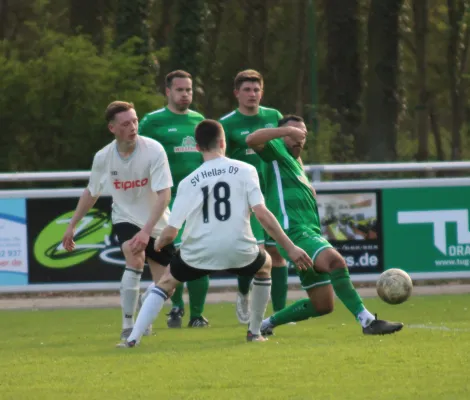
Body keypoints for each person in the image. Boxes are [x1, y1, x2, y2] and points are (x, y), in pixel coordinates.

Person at [116, 120, 313, 347]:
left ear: (198, 148)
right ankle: (254, 332)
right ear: (223, 142)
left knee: (166, 282)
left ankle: (132, 339)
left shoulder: (189, 181)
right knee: (265, 265)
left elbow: (171, 232)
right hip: (239, 249)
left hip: (199, 252)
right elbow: (263, 215)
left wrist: (159, 244)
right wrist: (290, 248)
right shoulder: (246, 170)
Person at [245, 115, 404, 335]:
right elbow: (252, 140)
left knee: (323, 305)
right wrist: (285, 132)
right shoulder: (275, 153)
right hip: (294, 232)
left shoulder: (296, 164)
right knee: (335, 261)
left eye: (303, 134)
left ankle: (264, 325)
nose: (299, 138)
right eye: (294, 133)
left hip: (309, 231)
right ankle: (367, 321)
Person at [62, 101, 175, 340]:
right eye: (126, 123)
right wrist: (72, 225)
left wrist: (147, 231)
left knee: (168, 285)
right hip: (125, 217)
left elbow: (165, 194)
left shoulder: (154, 150)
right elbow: (91, 192)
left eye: (135, 121)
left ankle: (145, 302)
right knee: (134, 255)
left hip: (156, 222)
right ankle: (128, 324)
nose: (133, 127)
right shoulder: (103, 157)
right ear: (112, 128)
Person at [138, 70, 210, 329]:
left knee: (201, 255)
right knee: (175, 256)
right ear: (168, 91)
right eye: (179, 90)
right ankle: (176, 307)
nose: (185, 94)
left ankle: (198, 315)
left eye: (188, 90)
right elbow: (139, 155)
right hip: (167, 199)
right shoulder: (152, 122)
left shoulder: (199, 120)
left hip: (199, 200)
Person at [219, 69, 289, 324]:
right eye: (247, 90)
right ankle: (243, 292)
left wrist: (300, 174)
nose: (252, 94)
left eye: (256, 89)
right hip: (242, 195)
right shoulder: (226, 124)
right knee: (254, 252)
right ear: (237, 93)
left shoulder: (274, 116)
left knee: (278, 252)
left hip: (272, 190)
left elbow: (291, 149)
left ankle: (280, 312)